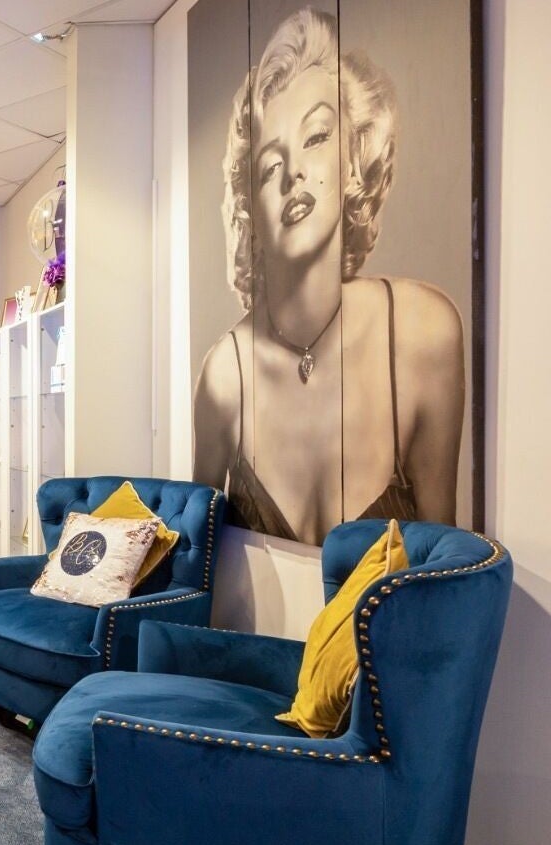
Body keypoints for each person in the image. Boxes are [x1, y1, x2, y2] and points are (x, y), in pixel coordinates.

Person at [193, 7, 463, 547]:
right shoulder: (225, 374)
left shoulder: (422, 333)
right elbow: (197, 557)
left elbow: (445, 562)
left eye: (316, 136)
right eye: (270, 166)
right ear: (251, 209)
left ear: (353, 158)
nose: (293, 172)